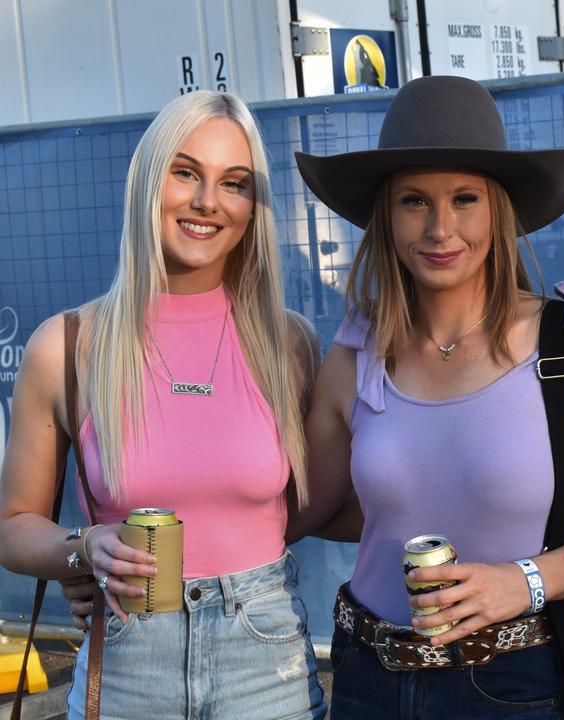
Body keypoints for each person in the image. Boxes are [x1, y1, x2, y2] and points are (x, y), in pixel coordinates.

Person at [288, 75, 564, 719]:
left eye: (465, 199)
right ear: (385, 214)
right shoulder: (354, 355)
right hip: (365, 680)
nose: (441, 228)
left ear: (500, 211)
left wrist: (524, 580)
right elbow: (305, 511)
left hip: (513, 682)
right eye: (414, 201)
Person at [0, 90, 326, 719]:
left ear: (254, 206)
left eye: (234, 183)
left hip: (266, 662)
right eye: (185, 173)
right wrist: (84, 548)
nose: (207, 201)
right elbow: (14, 527)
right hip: (126, 661)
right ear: (149, 181)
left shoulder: (290, 345)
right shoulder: (66, 345)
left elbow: (329, 502)